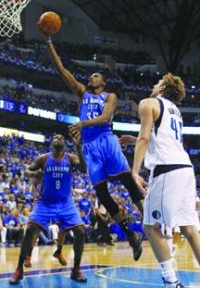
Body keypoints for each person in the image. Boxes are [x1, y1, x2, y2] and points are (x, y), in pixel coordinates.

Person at [41, 29, 145, 261]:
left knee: (128, 182)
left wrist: (83, 122)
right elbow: (61, 70)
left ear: (104, 81)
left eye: (96, 76)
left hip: (106, 140)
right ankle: (131, 236)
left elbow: (106, 118)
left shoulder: (110, 96)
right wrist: (48, 41)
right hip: (89, 145)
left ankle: (148, 216)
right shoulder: (82, 93)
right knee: (102, 193)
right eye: (91, 77)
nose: (91, 78)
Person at [122, 73, 200, 287]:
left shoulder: (148, 103)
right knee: (190, 228)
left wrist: (135, 172)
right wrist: (133, 139)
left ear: (163, 87)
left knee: (150, 226)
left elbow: (145, 137)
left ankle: (171, 282)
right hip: (185, 169)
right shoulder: (176, 112)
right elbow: (161, 138)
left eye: (157, 82)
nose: (154, 85)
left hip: (167, 170)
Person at [9, 134, 87, 284]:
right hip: (45, 202)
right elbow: (26, 170)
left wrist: (78, 146)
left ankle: (76, 270)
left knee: (81, 231)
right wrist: (33, 173)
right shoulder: (43, 159)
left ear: (64, 144)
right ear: (51, 144)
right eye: (55, 137)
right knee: (31, 229)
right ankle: (19, 269)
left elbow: (83, 169)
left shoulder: (70, 158)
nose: (58, 137)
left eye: (60, 137)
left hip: (65, 202)